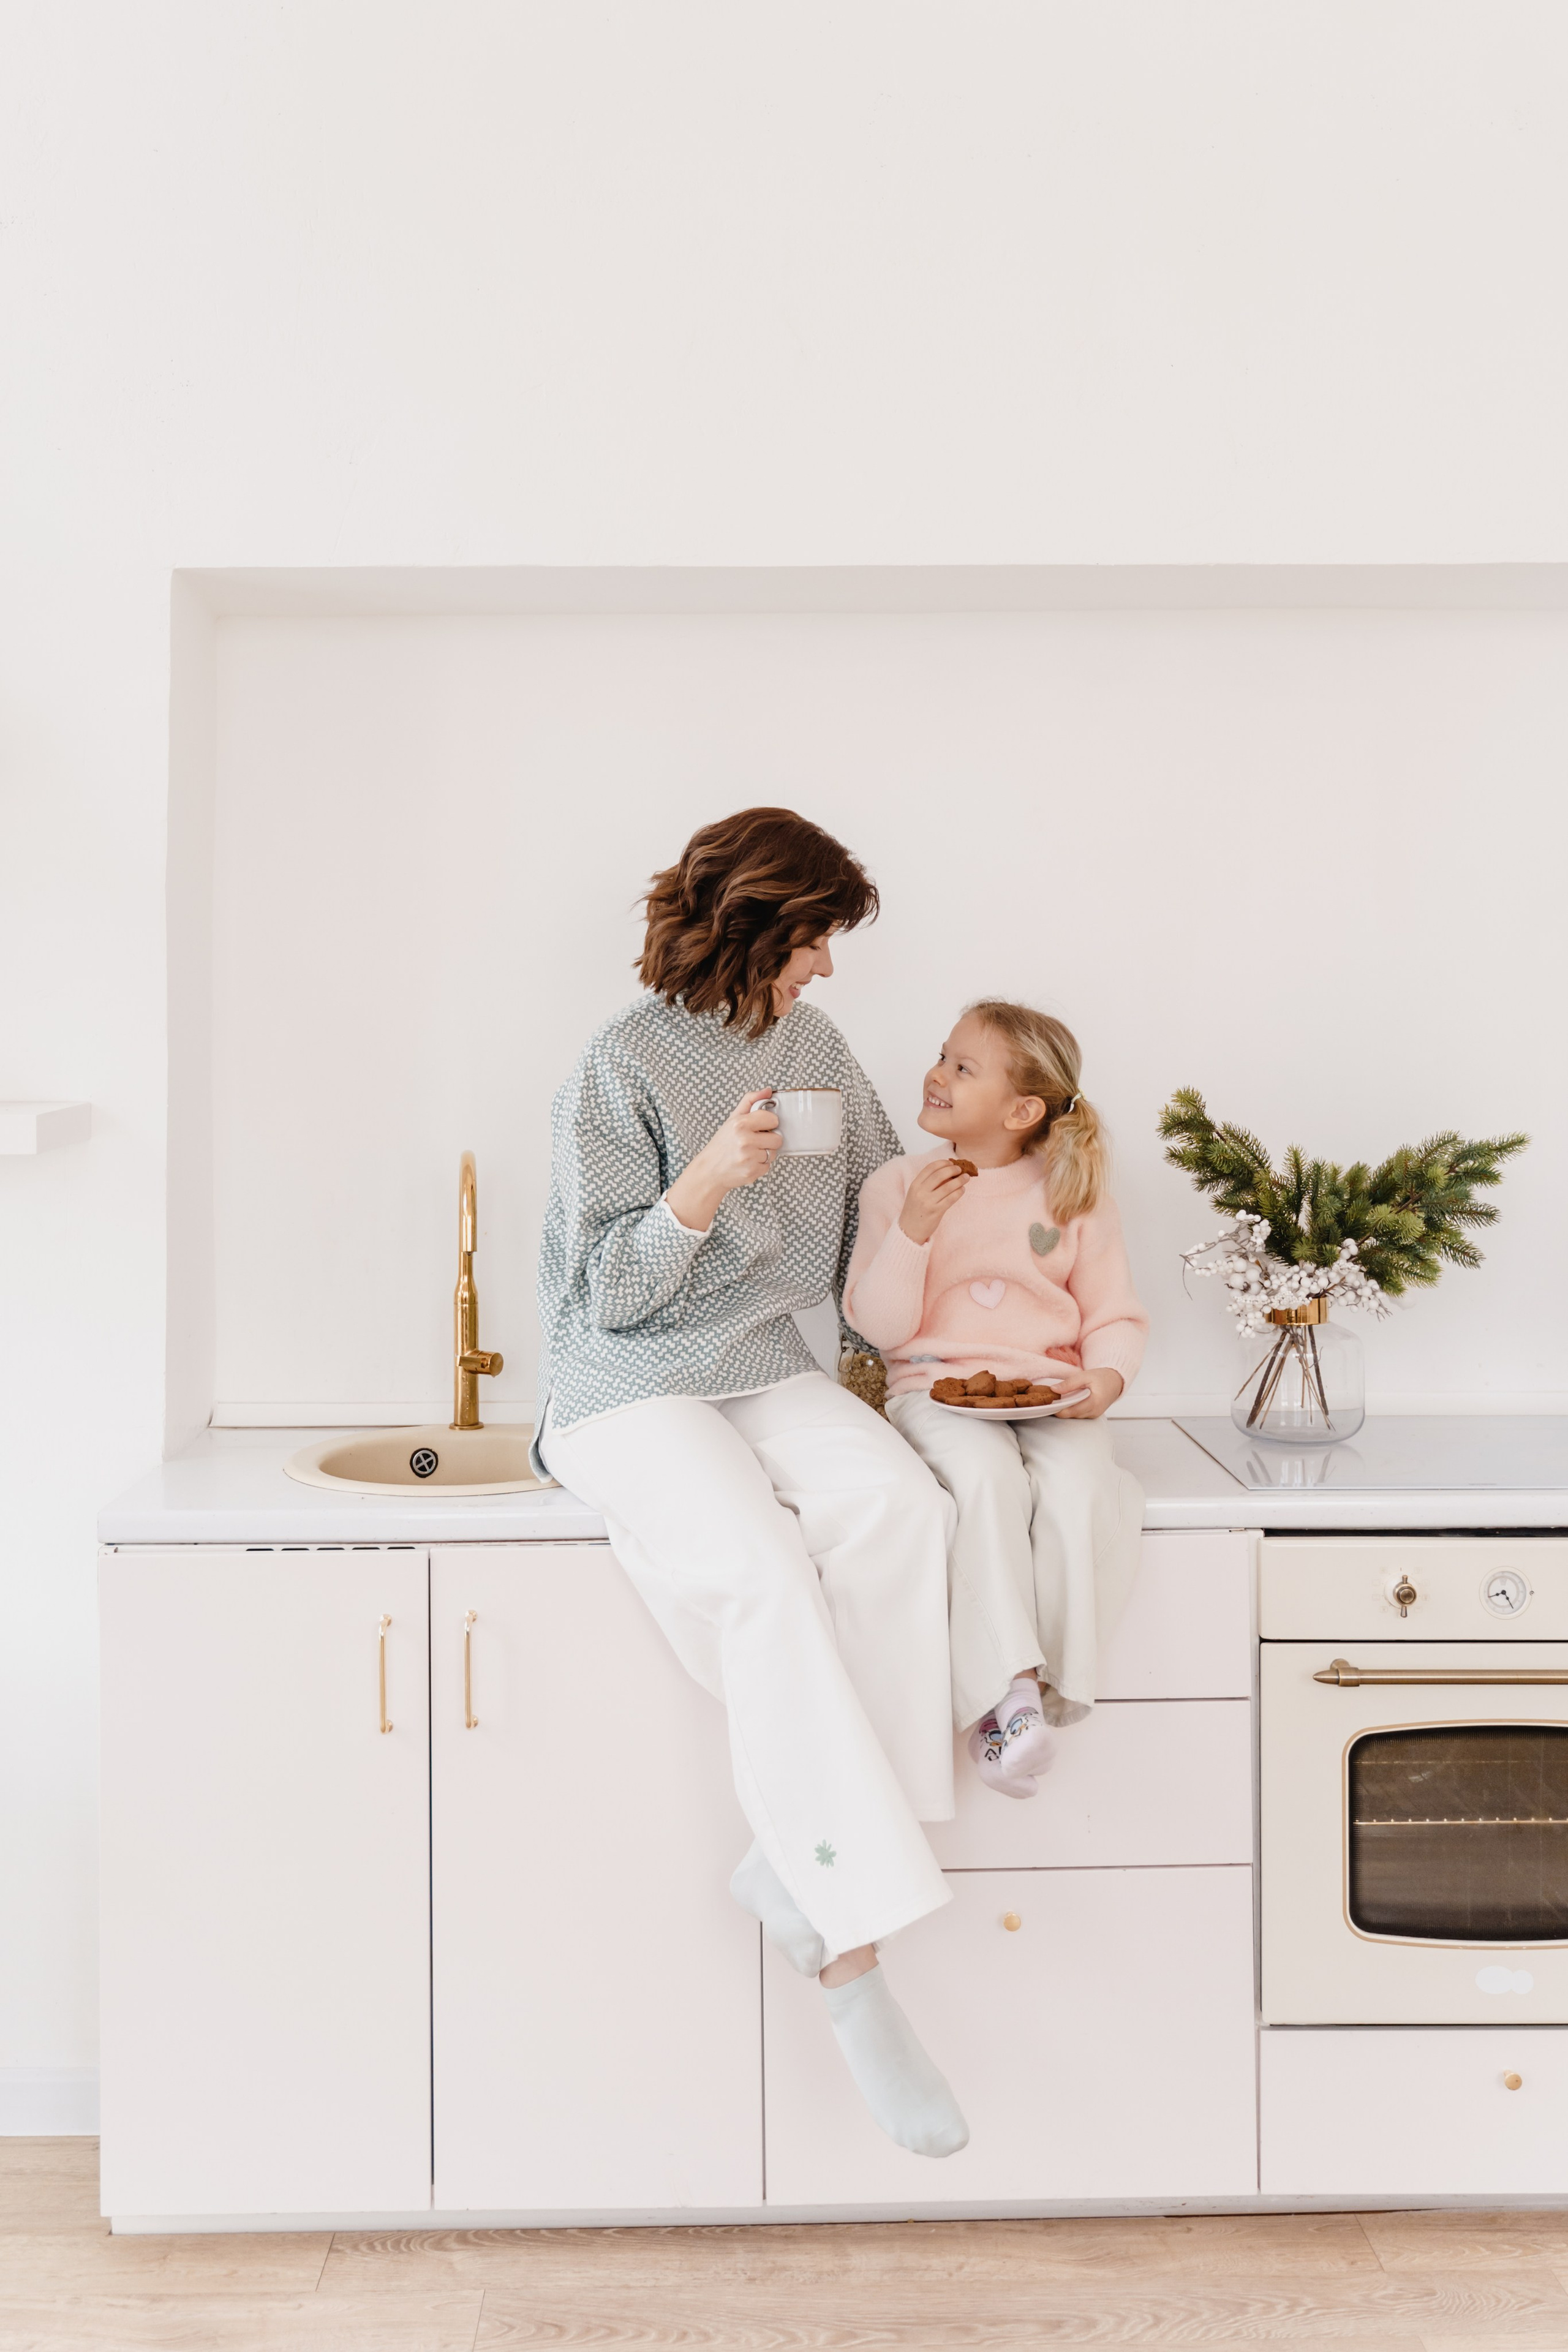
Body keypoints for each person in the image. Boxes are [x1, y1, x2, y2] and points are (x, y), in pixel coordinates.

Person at [534, 808, 968, 2157]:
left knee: (902, 1509)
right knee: (763, 1574)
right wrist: (705, 1182)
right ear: (755, 925)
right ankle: (849, 1961)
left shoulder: (815, 1047)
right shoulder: (617, 1068)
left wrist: (927, 1207)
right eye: (818, 940)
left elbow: (861, 1227)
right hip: (626, 1383)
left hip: (763, 1359)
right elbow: (603, 1296)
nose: (830, 969)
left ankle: (794, 1869)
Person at [843, 1001, 1147, 1798]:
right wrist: (911, 1233)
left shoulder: (1072, 1194)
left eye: (962, 1068)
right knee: (985, 1482)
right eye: (942, 1056)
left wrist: (1104, 1381)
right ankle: (1002, 1699)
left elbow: (1114, 1314)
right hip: (934, 1392)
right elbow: (878, 1325)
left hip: (1049, 1391)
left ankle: (1057, 1688)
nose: (937, 1074)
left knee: (1085, 1490)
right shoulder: (899, 1185)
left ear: (1023, 1110)